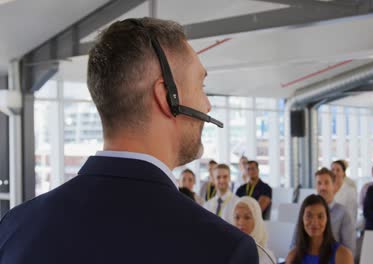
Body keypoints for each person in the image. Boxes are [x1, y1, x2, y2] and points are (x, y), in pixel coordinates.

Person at [0, 17, 258, 264]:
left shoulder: (16, 226)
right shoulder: (222, 249)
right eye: (201, 87)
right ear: (167, 96)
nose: (208, 105)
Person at [291, 168, 356, 254]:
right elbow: (294, 243)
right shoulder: (306, 211)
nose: (322, 187)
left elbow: (349, 250)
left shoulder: (344, 213)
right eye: (319, 183)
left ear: (334, 186)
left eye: (326, 183)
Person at [286, 194, 353, 264]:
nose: (314, 222)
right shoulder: (293, 256)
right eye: (309, 216)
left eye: (320, 216)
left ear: (327, 220)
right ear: (302, 219)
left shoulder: (343, 255)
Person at [233, 196, 277, 264]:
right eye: (237, 217)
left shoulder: (266, 256)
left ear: (257, 220)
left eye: (247, 217)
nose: (241, 222)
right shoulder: (229, 248)